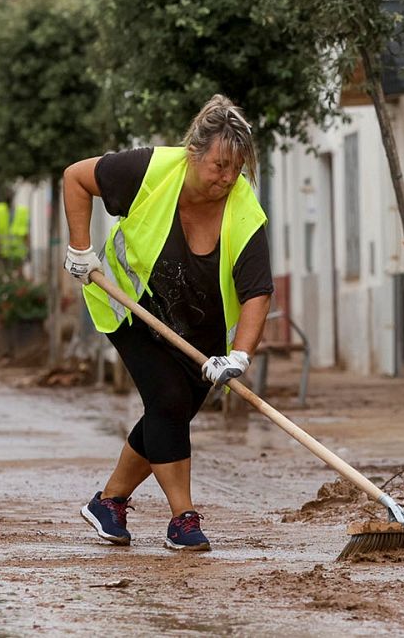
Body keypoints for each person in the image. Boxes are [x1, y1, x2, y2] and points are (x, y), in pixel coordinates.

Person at [62, 95, 272, 552]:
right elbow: (76, 178)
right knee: (169, 399)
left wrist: (239, 354)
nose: (227, 178)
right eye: (219, 165)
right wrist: (81, 249)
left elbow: (257, 290)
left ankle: (110, 501)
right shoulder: (149, 170)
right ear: (193, 154)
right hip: (130, 308)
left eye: (236, 168)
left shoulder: (244, 211)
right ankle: (183, 518)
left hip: (199, 332)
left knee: (168, 413)